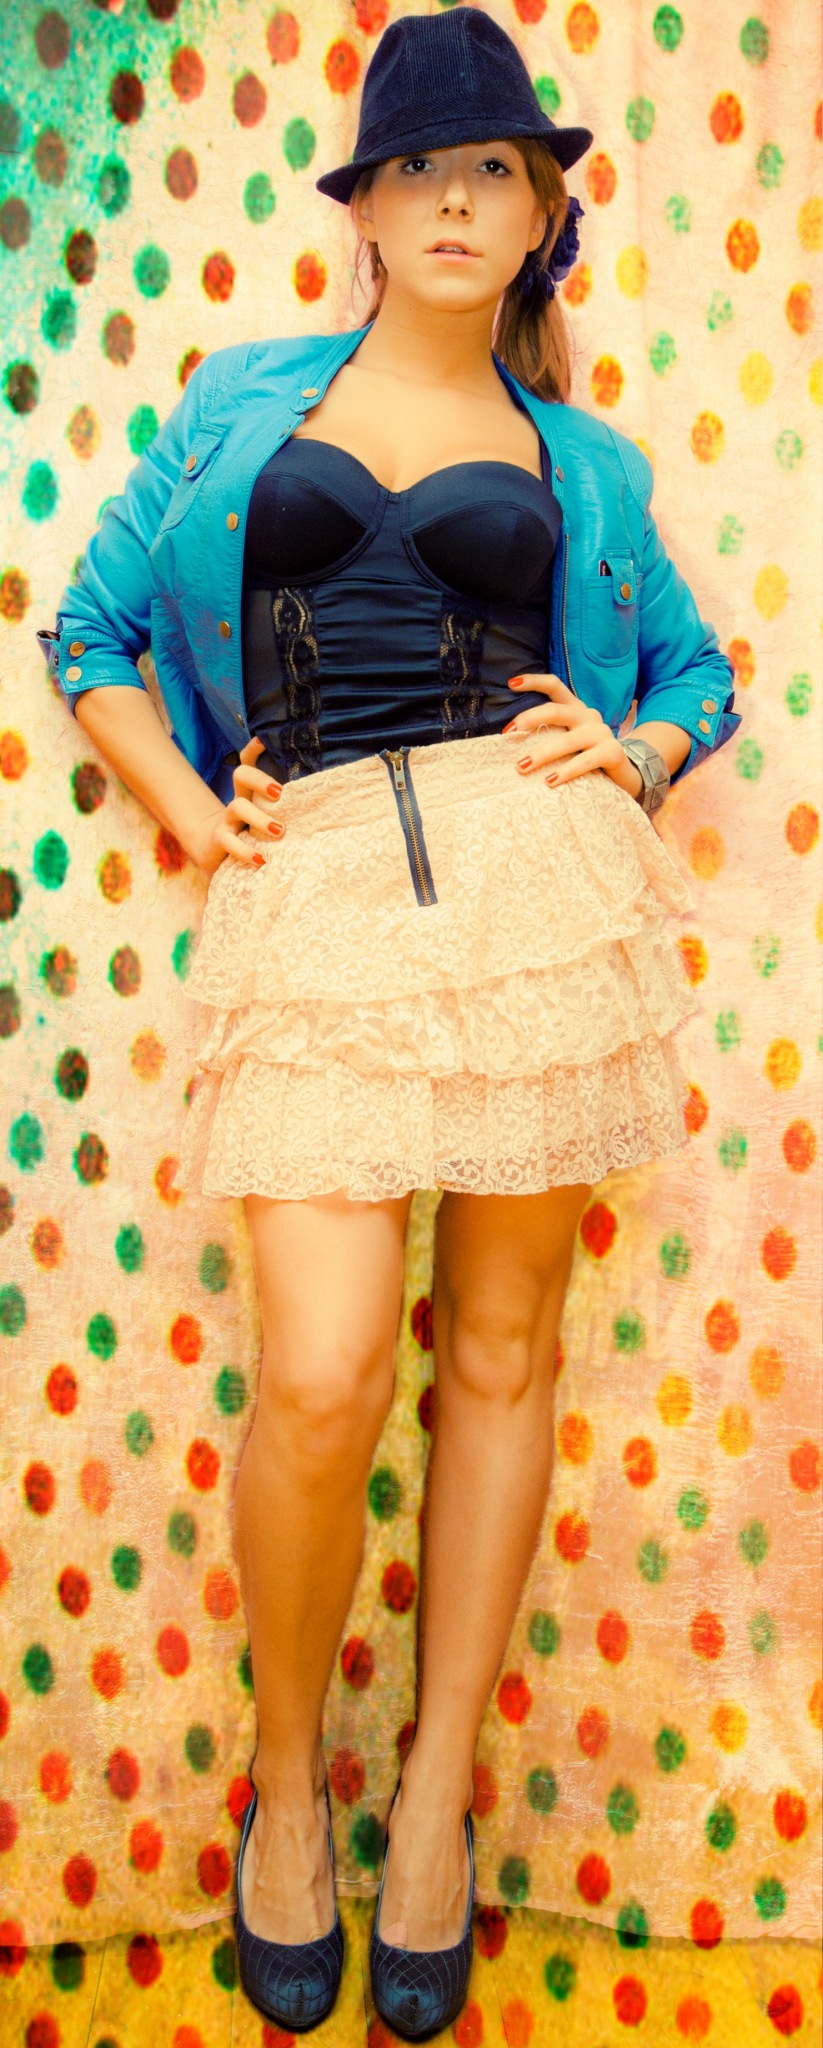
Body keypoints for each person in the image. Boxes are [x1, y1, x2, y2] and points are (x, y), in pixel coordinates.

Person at [36, 11, 741, 2039]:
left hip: (536, 898)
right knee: (328, 1371)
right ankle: (288, 1786)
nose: (451, 199)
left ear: (539, 216)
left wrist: (634, 747)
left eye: (491, 169)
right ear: (360, 207)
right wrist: (197, 817)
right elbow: (88, 631)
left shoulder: (586, 463)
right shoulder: (241, 400)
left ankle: (432, 1803)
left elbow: (694, 675)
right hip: (318, 887)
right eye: (416, 167)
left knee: (501, 1352)